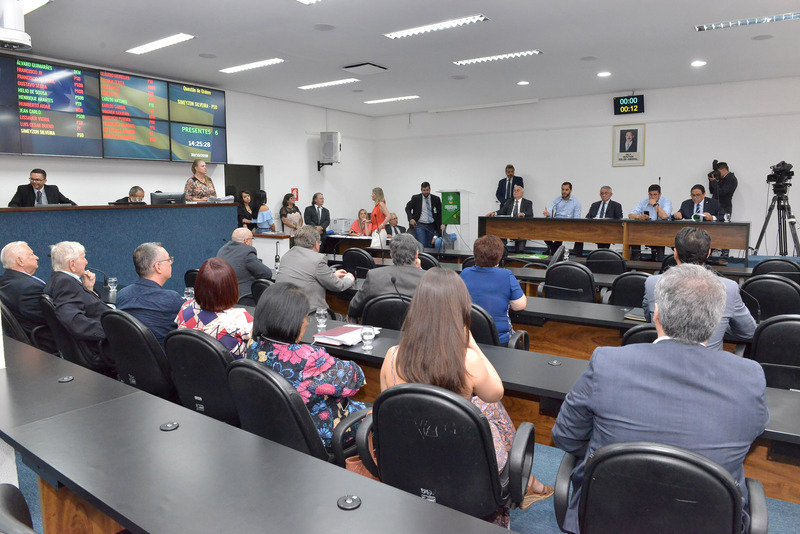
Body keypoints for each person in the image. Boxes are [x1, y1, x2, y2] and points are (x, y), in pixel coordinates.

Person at [553, 263, 768, 534]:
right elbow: (752, 431)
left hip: (608, 515)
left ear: (656, 314)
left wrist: (610, 452)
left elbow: (566, 437)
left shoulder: (607, 362)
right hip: (706, 521)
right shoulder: (749, 377)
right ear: (716, 322)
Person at [380, 268, 552, 528]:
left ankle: (525, 482)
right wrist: (472, 344)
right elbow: (496, 392)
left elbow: (390, 413)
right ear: (460, 309)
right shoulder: (467, 360)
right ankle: (522, 480)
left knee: (484, 406)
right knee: (489, 404)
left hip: (411, 461)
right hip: (466, 464)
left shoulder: (392, 356)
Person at [246, 282, 366, 448]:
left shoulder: (252, 346)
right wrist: (331, 362)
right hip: (316, 435)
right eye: (305, 317)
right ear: (292, 321)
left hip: (272, 430)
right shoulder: (308, 358)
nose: (307, 323)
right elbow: (355, 381)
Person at [642, 227, 755, 351]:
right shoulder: (729, 288)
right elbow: (749, 332)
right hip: (709, 362)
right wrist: (722, 323)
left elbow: (650, 318)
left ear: (675, 253)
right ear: (708, 253)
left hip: (663, 357)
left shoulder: (653, 283)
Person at [175, 257, 253, 358]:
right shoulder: (241, 319)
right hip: (231, 368)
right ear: (232, 288)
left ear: (198, 285)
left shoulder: (185, 308)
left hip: (188, 365)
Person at [43, 241, 110, 355]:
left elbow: (83, 305)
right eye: (83, 258)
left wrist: (89, 289)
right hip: (101, 346)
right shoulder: (65, 283)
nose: (86, 262)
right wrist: (112, 331)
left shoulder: (59, 279)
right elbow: (74, 321)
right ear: (72, 264)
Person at [460, 235, 527, 344]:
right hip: (500, 341)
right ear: (499, 256)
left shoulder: (465, 273)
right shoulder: (506, 275)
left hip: (468, 339)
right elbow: (519, 305)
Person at [116, 243, 184, 347]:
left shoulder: (122, 295)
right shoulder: (172, 300)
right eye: (168, 259)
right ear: (158, 267)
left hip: (128, 355)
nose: (171, 262)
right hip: (162, 356)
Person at [275, 225, 355, 313]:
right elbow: (338, 285)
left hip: (284, 311)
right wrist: (349, 278)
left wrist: (332, 276)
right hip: (310, 314)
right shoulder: (318, 260)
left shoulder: (286, 255)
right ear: (316, 244)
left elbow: (307, 275)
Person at [347, 233, 424, 321]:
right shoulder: (427, 279)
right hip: (415, 329)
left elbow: (353, 309)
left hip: (376, 329)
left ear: (391, 255)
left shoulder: (374, 276)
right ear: (417, 254)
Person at [0, 241, 57, 352]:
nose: (36, 257)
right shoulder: (28, 288)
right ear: (20, 261)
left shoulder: (6, 281)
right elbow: (53, 318)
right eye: (31, 254)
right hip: (47, 346)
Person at [216, 228, 272, 306]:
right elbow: (266, 273)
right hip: (241, 296)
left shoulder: (222, 250)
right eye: (252, 239)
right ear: (246, 241)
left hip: (221, 293)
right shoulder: (247, 251)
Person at [573, 185, 623, 255]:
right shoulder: (594, 205)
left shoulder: (616, 205)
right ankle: (577, 255)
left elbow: (619, 219)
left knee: (604, 234)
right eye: (602, 193)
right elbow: (588, 217)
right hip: (594, 228)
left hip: (607, 229)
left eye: (606, 193)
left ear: (611, 194)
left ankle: (602, 255)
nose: (604, 195)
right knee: (580, 232)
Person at [628, 184, 672, 261]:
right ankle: (635, 261)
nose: (652, 197)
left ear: (660, 194)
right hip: (645, 230)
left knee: (660, 239)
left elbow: (664, 216)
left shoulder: (666, 201)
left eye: (655, 195)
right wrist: (639, 216)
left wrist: (654, 204)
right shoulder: (643, 202)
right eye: (650, 195)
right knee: (634, 235)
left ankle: (659, 261)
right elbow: (630, 215)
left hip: (661, 231)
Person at [487, 184, 534, 252]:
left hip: (521, 226)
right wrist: (494, 213)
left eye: (517, 190)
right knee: (500, 231)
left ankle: (519, 251)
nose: (515, 192)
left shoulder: (527, 202)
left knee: (520, 244)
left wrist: (523, 214)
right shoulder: (509, 202)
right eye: (514, 190)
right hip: (509, 225)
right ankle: (503, 251)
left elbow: (530, 213)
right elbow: (502, 211)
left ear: (522, 193)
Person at [542, 181, 581, 255]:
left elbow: (577, 218)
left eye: (566, 190)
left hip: (569, 225)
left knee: (578, 233)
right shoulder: (557, 200)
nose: (564, 192)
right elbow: (551, 210)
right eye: (563, 189)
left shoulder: (576, 202)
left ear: (570, 190)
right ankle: (555, 250)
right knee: (543, 231)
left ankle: (554, 251)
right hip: (557, 224)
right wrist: (548, 213)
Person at [709, 161, 738, 259]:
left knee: (724, 229)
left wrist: (714, 182)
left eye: (718, 172)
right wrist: (711, 181)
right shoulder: (720, 180)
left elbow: (722, 192)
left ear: (723, 169)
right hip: (715, 206)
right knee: (712, 228)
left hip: (725, 207)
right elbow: (712, 191)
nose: (718, 174)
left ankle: (725, 253)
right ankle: (710, 250)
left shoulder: (731, 179)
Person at [8, 168, 76, 207]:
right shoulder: (23, 190)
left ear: (45, 181)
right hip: (29, 218)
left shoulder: (53, 190)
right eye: (32, 179)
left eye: (37, 180)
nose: (34, 182)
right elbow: (12, 205)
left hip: (50, 218)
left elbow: (69, 203)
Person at [405, 181, 442, 248]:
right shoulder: (416, 198)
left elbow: (440, 213)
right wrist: (411, 219)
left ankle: (428, 255)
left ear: (430, 189)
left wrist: (441, 224)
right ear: (421, 190)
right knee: (422, 244)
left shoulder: (436, 199)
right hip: (420, 225)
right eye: (424, 190)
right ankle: (422, 255)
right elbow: (407, 208)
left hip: (432, 225)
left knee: (430, 245)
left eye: (427, 190)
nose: (426, 192)